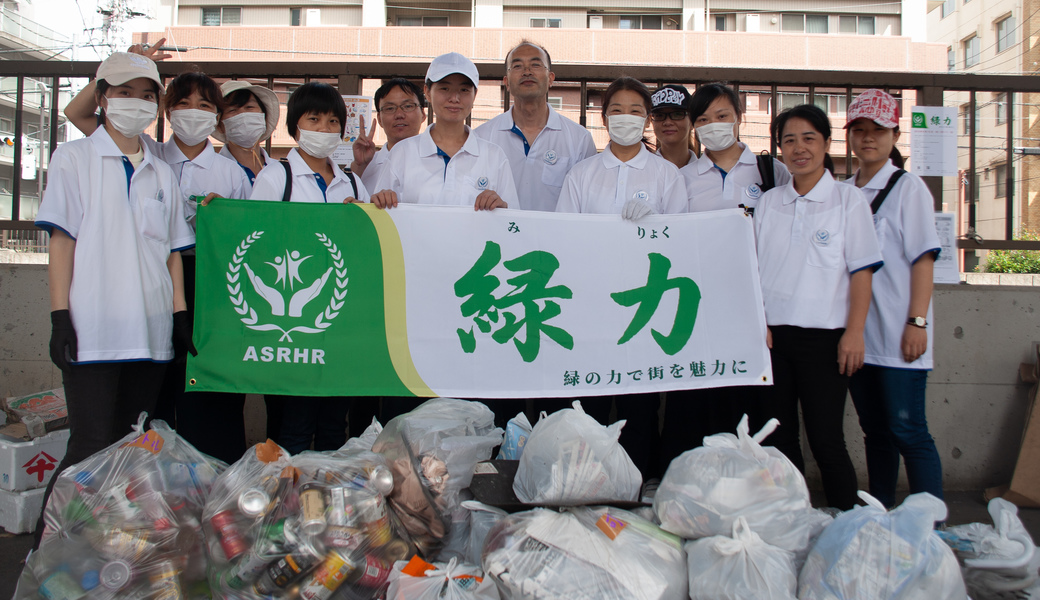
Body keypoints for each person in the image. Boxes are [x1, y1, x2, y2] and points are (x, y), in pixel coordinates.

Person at [33, 52, 194, 545]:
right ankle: (47, 549)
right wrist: (60, 316)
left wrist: (179, 316)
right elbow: (62, 241)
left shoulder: (161, 172)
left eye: (146, 95)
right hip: (95, 327)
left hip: (150, 330)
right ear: (102, 98)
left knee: (131, 446)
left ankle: (105, 550)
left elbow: (172, 253)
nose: (136, 103)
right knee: (90, 443)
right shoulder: (75, 158)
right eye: (124, 93)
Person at [556, 76, 688, 480]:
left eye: (635, 111)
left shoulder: (666, 175)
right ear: (603, 118)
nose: (625, 117)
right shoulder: (582, 174)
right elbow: (563, 237)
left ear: (647, 120)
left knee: (639, 406)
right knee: (589, 402)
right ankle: (584, 486)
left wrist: (657, 226)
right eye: (616, 110)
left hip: (645, 308)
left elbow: (681, 243)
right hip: (591, 307)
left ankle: (636, 486)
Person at [754, 104, 882, 510]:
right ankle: (793, 519)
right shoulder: (770, 202)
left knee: (826, 439)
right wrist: (758, 322)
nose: (799, 148)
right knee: (778, 438)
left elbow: (862, 271)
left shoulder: (848, 200)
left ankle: (848, 523)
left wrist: (854, 333)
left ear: (827, 143)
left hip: (826, 339)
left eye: (809, 138)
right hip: (772, 340)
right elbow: (751, 269)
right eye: (789, 140)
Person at [248, 82, 370, 453]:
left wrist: (362, 220)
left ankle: (328, 487)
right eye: (314, 119)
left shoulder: (353, 183)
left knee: (334, 422)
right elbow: (255, 242)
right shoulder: (276, 177)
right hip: (293, 323)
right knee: (294, 423)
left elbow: (369, 249)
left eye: (333, 121)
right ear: (295, 126)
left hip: (339, 320)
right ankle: (288, 488)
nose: (324, 128)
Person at [843, 89, 943, 508]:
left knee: (908, 430)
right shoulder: (845, 191)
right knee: (876, 432)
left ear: (895, 135)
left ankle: (931, 521)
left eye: (878, 130)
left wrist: (917, 322)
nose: (868, 138)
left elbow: (923, 259)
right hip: (859, 338)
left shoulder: (908, 188)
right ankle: (879, 511)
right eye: (860, 129)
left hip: (900, 336)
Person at [371, 52, 519, 211]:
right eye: (444, 88)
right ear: (428, 92)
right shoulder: (402, 153)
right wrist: (381, 200)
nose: (454, 98)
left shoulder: (494, 156)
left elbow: (514, 218)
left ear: (474, 95)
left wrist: (502, 208)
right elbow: (380, 216)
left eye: (464, 90)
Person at [474, 41, 597, 212]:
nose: (527, 72)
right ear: (506, 82)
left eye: (535, 65)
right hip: (499, 230)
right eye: (517, 66)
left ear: (550, 78)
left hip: (556, 230)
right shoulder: (481, 137)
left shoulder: (579, 139)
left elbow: (589, 202)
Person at [684, 83, 790, 213]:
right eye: (703, 119)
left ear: (738, 117)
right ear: (693, 125)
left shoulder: (773, 171)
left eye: (722, 116)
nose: (713, 125)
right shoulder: (683, 177)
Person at [351, 78, 427, 192]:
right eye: (390, 108)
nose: (399, 115)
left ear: (423, 114)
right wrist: (359, 166)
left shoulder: (438, 162)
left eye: (408, 106)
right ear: (379, 119)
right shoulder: (365, 164)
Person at [212, 79, 281, 193]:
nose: (242, 114)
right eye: (232, 110)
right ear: (219, 124)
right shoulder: (210, 171)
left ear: (264, 117)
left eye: (249, 107)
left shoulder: (283, 171)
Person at [649, 84, 695, 170]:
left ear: (692, 121)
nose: (668, 122)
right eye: (660, 115)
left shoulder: (709, 172)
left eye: (677, 114)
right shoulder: (643, 171)